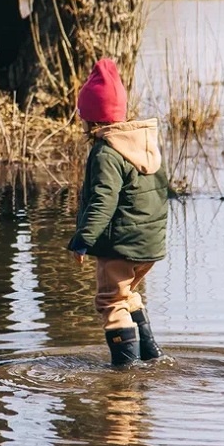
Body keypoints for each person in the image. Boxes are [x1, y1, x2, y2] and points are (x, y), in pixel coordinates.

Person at [67, 58, 170, 367]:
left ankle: (126, 373)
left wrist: (82, 240)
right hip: (149, 244)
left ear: (90, 118)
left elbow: (103, 201)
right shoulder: (144, 144)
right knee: (126, 295)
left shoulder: (106, 153)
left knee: (111, 301)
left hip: (120, 246)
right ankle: (152, 359)